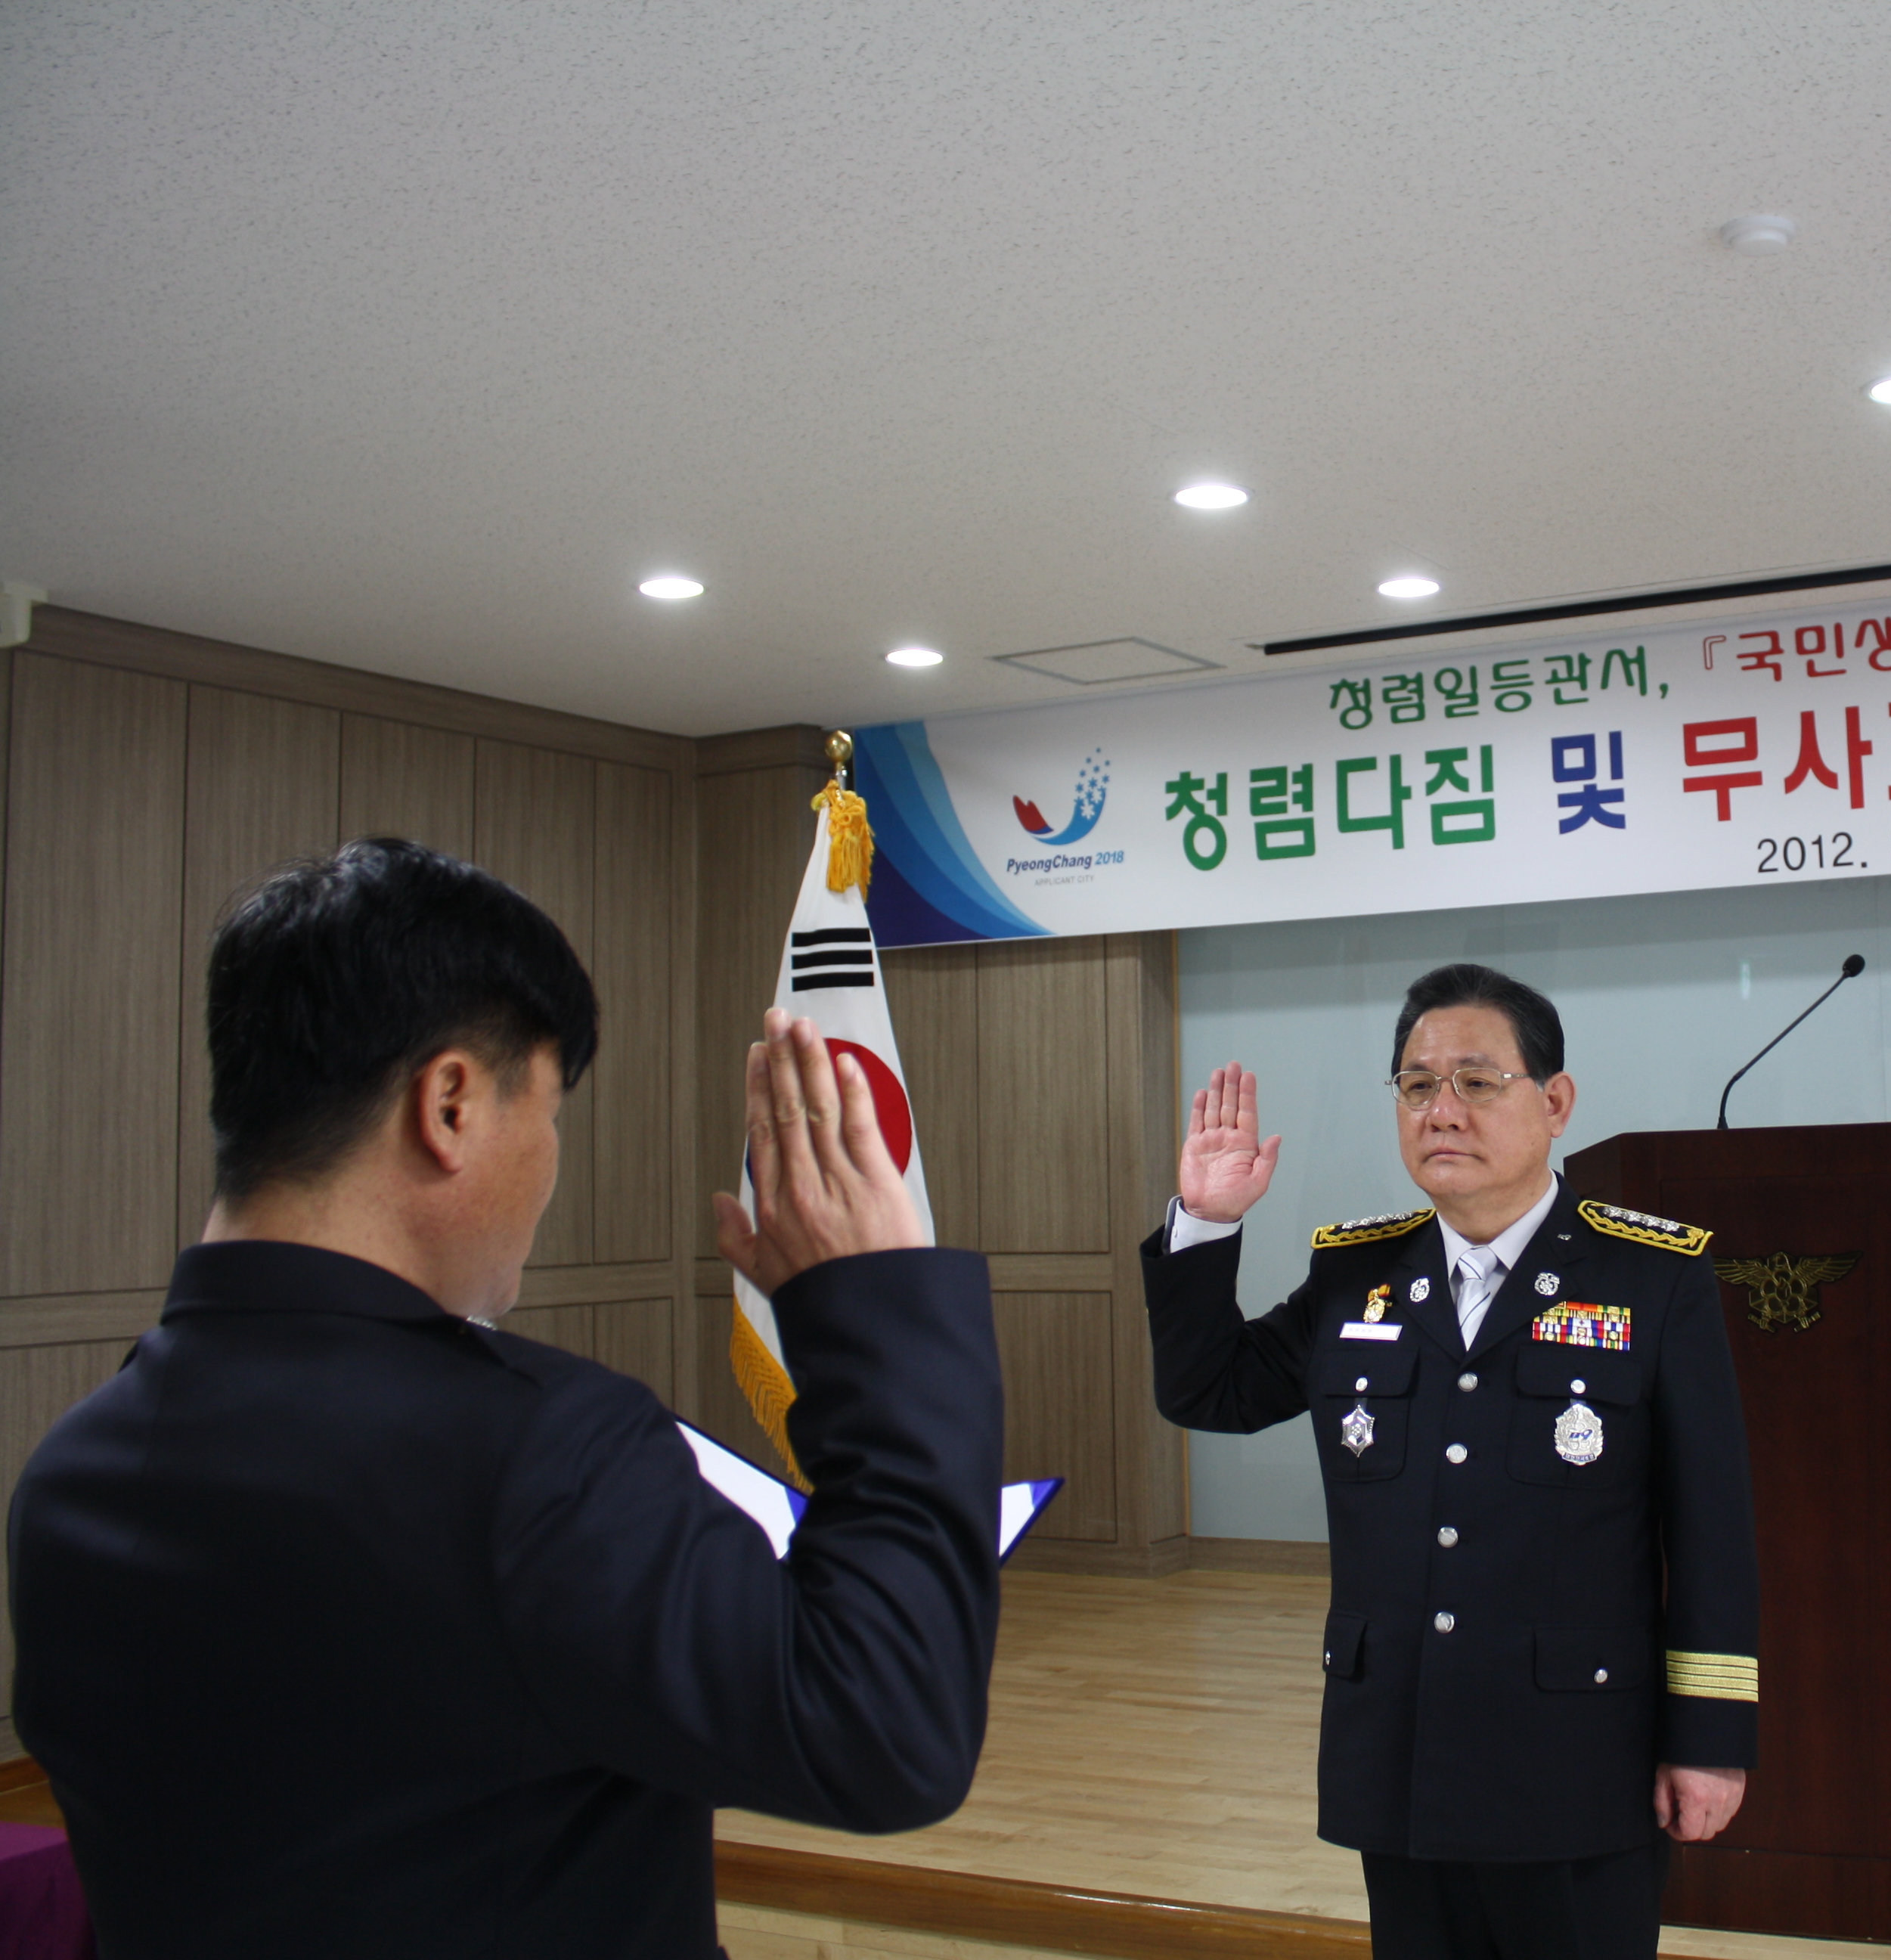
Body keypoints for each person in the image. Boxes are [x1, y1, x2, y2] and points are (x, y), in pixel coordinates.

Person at [8, 839, 1004, 1958]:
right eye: (549, 1111)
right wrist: (875, 1314)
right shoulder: (538, 1456)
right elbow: (887, 1730)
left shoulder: (69, 1476)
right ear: (450, 1103)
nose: (550, 1159)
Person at [1141, 962, 1759, 1960]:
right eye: (1418, 1085)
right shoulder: (1358, 1274)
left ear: (1555, 1103)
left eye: (1478, 1081)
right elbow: (1210, 1391)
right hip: (1402, 1754)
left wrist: (1712, 1741)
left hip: (1575, 1762)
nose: (1442, 1110)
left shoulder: (1651, 1278)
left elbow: (1712, 1533)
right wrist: (1209, 1221)